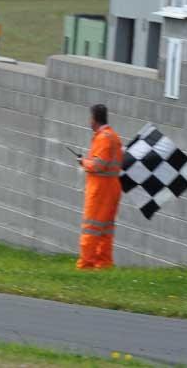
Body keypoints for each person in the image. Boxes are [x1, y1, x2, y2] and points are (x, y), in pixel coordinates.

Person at [75, 104, 123, 270]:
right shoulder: (114, 136)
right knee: (106, 229)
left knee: (91, 227)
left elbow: (98, 165)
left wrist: (83, 162)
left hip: (100, 189)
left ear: (94, 119)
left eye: (90, 117)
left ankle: (85, 265)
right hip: (112, 188)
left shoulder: (103, 138)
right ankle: (103, 263)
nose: (89, 121)